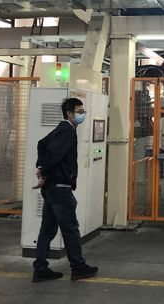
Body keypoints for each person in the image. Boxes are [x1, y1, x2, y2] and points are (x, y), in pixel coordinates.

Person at [32, 98, 98, 283]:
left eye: (83, 112)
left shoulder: (61, 129)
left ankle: (40, 269)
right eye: (79, 111)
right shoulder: (67, 131)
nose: (82, 115)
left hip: (52, 189)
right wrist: (43, 172)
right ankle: (78, 267)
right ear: (69, 113)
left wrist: (40, 168)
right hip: (60, 189)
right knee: (70, 229)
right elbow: (53, 153)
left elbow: (42, 144)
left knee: (47, 230)